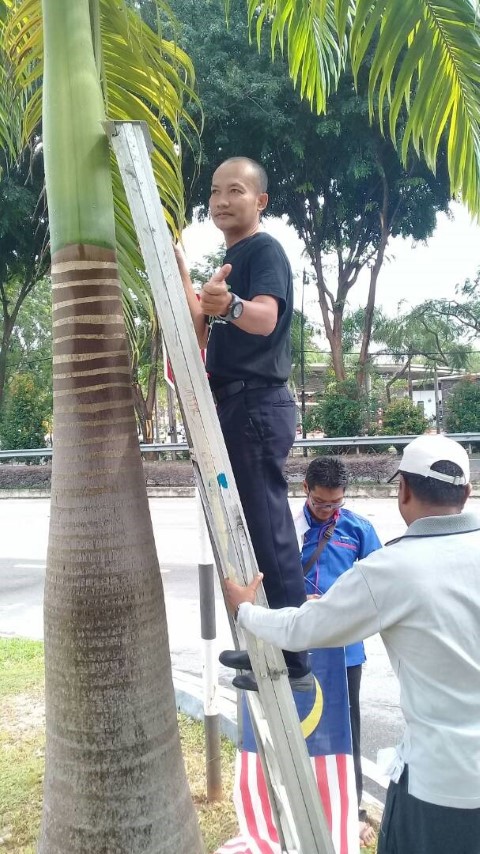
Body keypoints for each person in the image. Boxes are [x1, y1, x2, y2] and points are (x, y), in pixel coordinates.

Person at [223, 435, 480, 854]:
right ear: (467, 493)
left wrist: (246, 612)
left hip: (437, 787)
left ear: (404, 490)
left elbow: (306, 628)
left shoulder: (393, 567)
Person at [175, 156, 312, 692]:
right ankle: (268, 642)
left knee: (271, 530)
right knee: (251, 531)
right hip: (233, 403)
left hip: (257, 403)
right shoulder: (230, 258)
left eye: (235, 190)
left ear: (260, 202)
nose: (221, 200)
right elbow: (199, 329)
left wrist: (228, 305)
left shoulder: (264, 250)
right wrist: (184, 273)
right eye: (214, 192)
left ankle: (294, 657)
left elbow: (264, 318)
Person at [295, 456, 381, 847]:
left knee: (347, 733)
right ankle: (302, 804)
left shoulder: (358, 529)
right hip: (297, 648)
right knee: (299, 730)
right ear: (305, 491)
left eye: (336, 504)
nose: (328, 511)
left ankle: (353, 810)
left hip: (345, 652)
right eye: (320, 503)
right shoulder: (286, 529)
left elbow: (380, 586)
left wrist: (340, 607)